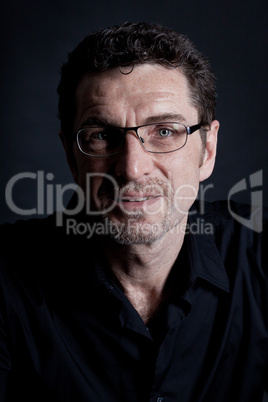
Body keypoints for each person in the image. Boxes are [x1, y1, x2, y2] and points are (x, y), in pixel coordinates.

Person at [0, 22, 267, 402]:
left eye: (164, 131)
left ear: (207, 150)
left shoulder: (259, 259)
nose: (131, 168)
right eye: (102, 135)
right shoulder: (8, 279)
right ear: (71, 157)